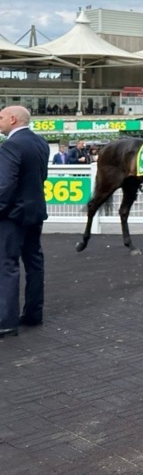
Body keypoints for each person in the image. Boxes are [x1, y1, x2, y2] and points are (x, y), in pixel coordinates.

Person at [0, 106, 51, 337]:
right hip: (35, 212)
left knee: (7, 265)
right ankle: (33, 314)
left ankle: (6, 322)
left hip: (12, 216)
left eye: (0, 117)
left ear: (12, 119)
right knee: (34, 262)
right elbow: (42, 176)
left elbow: (4, 185)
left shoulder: (11, 145)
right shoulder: (41, 143)